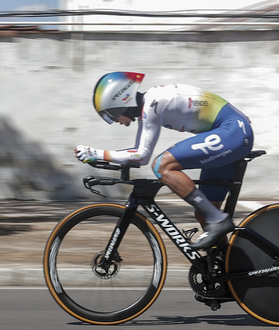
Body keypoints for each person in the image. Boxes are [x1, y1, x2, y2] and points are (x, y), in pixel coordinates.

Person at [74, 71, 253, 251]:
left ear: (121, 103)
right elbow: (136, 154)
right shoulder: (149, 106)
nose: (115, 121)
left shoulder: (153, 103)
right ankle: (226, 265)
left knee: (162, 165)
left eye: (112, 115)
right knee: (203, 213)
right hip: (229, 134)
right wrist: (102, 158)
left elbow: (141, 156)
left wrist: (96, 153)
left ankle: (219, 220)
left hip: (233, 132)